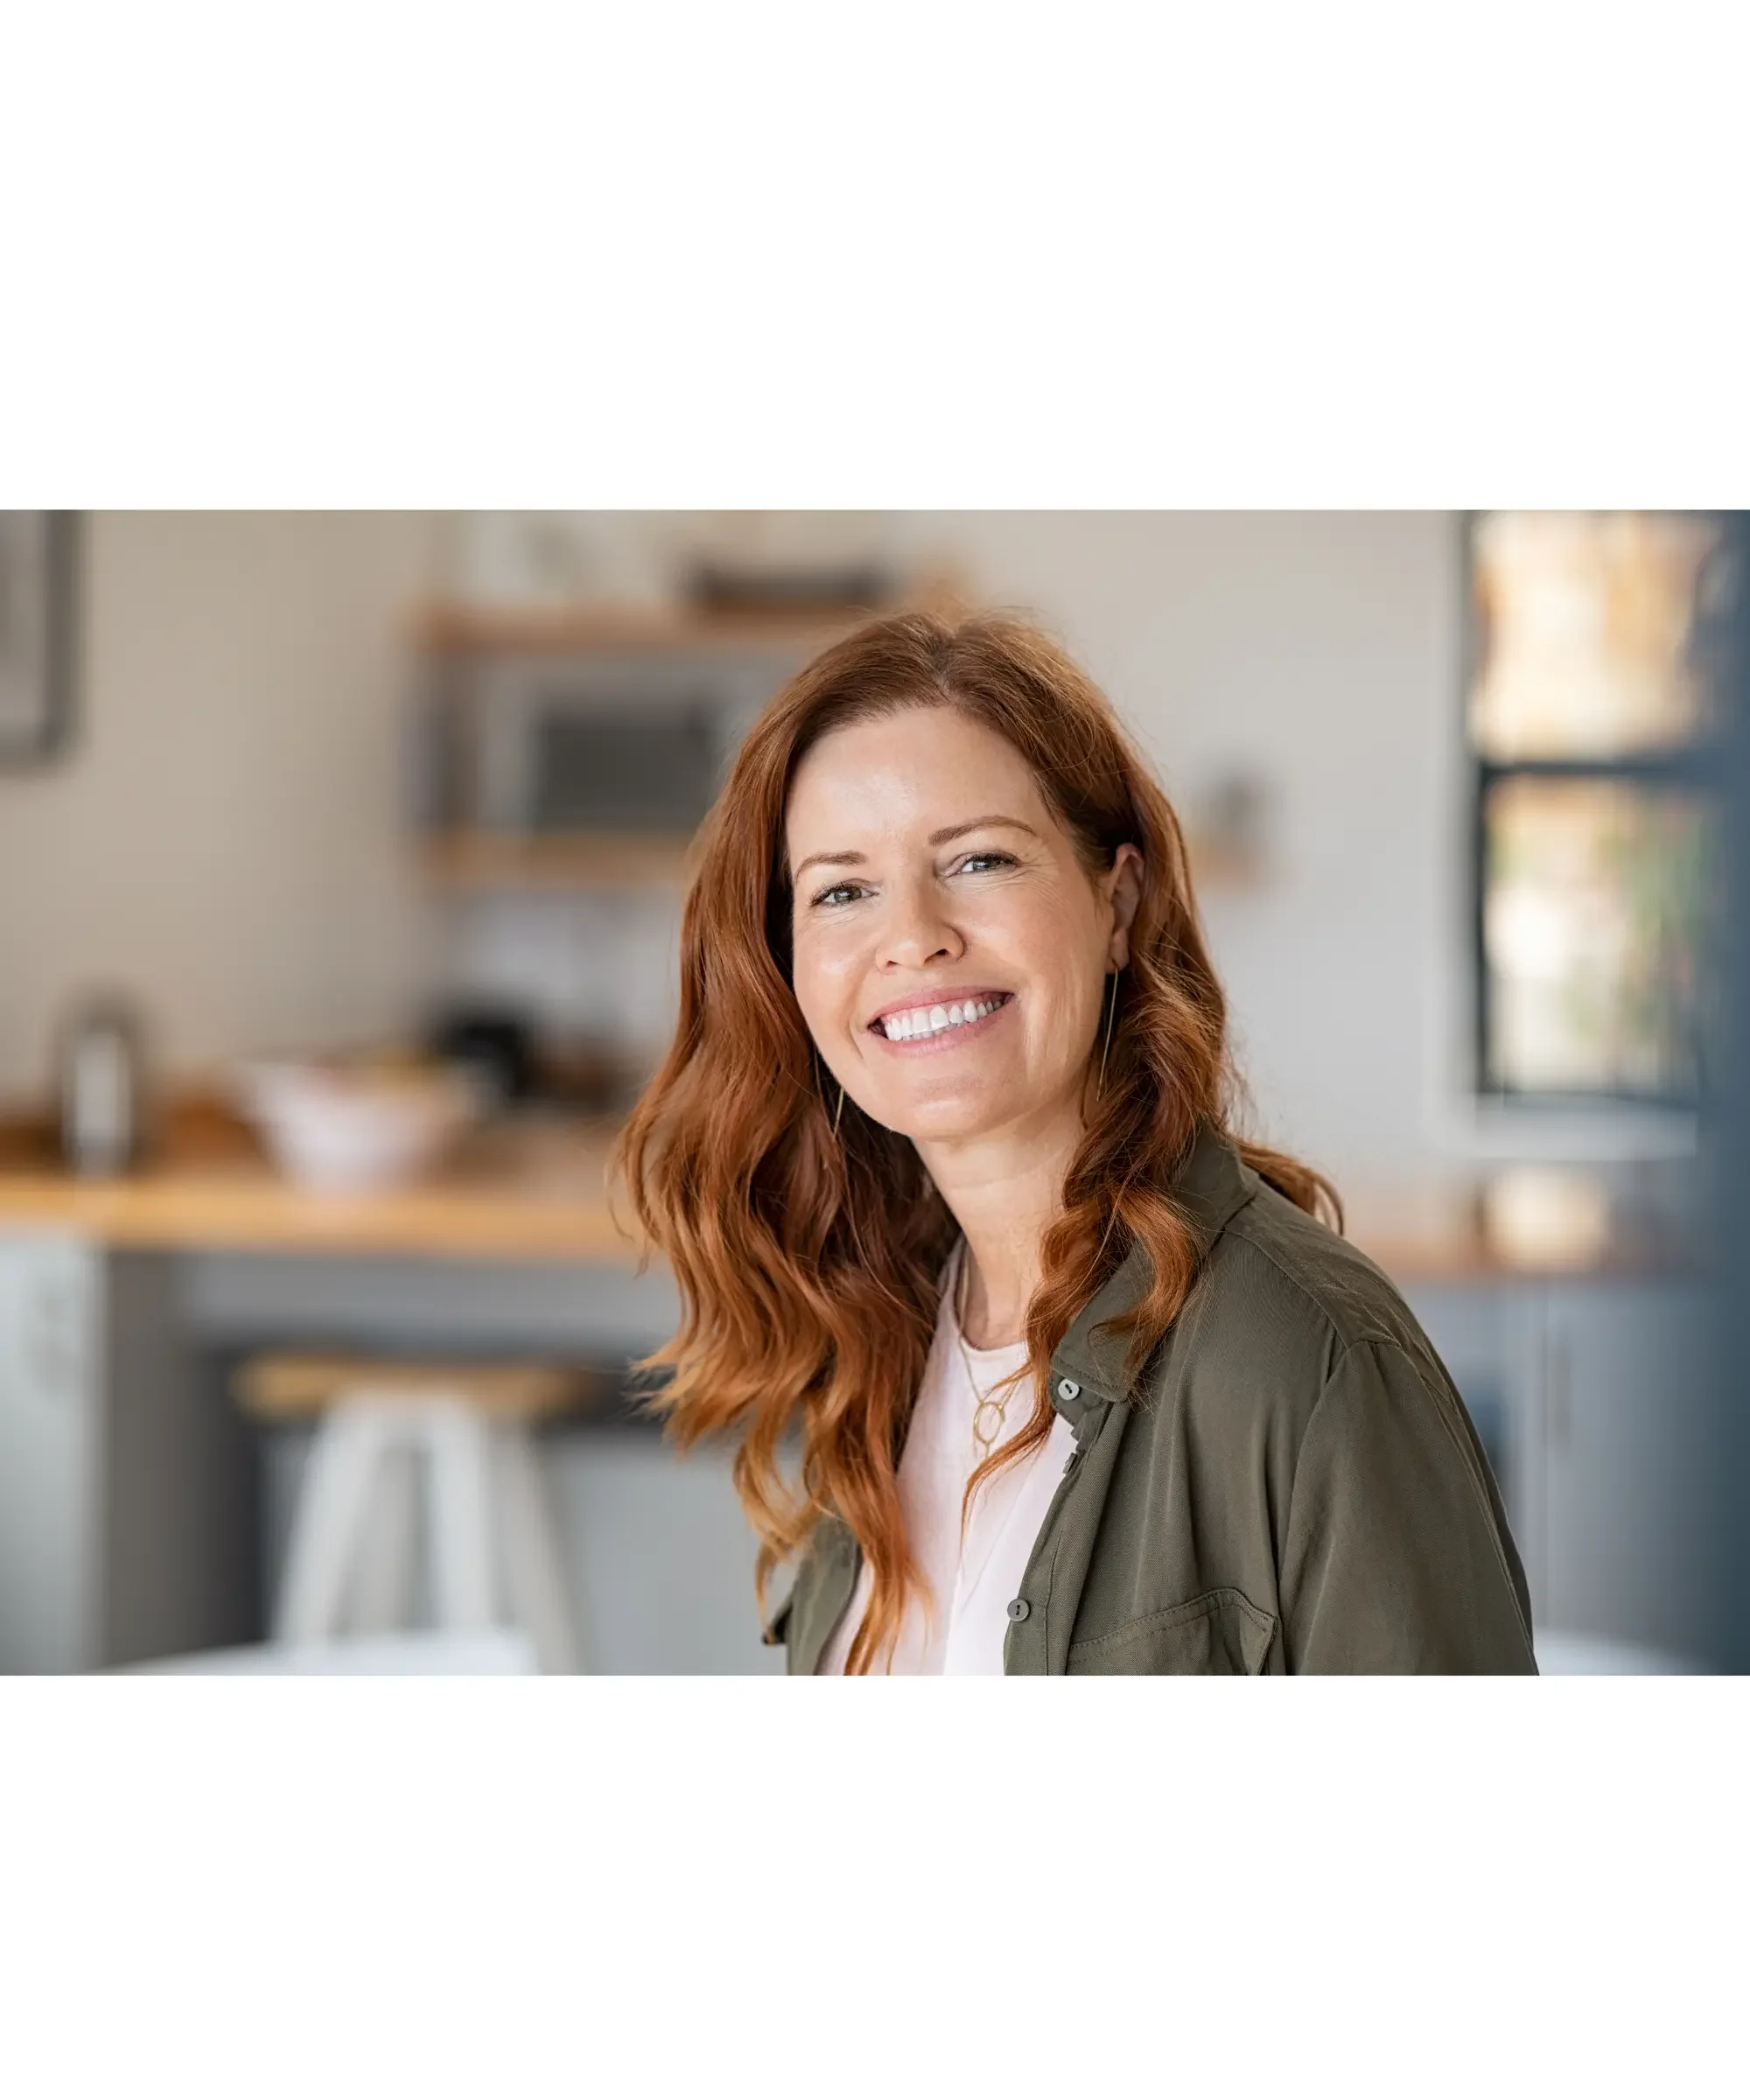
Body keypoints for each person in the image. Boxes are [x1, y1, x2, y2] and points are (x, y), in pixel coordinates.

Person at [614, 609, 1536, 1674]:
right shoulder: (875, 1335)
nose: (911, 937)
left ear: (1117, 902)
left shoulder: (1309, 1361)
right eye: (843, 890)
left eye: (978, 860)